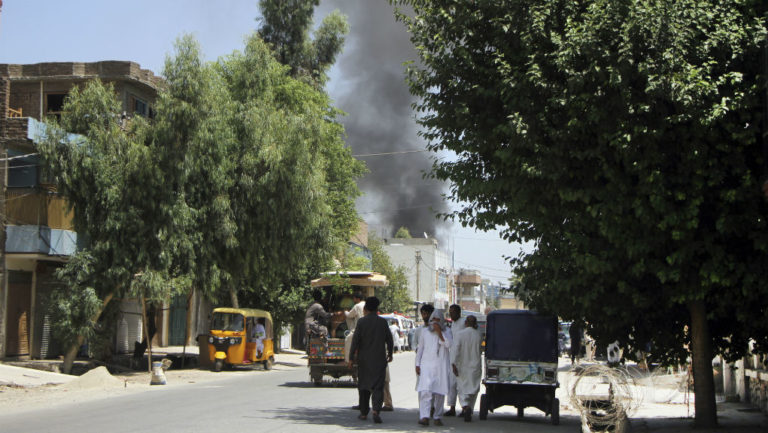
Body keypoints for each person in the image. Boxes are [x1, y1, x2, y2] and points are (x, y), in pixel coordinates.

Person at [348, 297, 393, 424]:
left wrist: (351, 358)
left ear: (365, 309)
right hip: (379, 360)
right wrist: (390, 354)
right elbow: (389, 340)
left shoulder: (361, 322)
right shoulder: (383, 322)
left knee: (363, 386)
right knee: (378, 386)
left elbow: (355, 341)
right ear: (377, 309)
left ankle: (363, 413)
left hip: (364, 360)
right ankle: (376, 411)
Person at [415, 308, 452, 426]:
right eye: (433, 319)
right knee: (425, 391)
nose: (435, 322)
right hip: (427, 365)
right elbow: (420, 349)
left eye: (438, 320)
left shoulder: (447, 331)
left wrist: (440, 333)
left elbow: (449, 344)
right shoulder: (425, 332)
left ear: (442, 320)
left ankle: (437, 416)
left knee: (440, 392)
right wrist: (417, 364)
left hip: (441, 366)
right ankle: (424, 416)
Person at [450, 315, 482, 422]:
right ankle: (470, 408)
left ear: (465, 323)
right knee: (473, 388)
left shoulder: (460, 334)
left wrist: (453, 364)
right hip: (475, 365)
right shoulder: (479, 334)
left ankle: (465, 407)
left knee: (462, 388)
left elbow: (455, 350)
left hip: (462, 365)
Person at [445, 304, 465, 416]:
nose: (451, 314)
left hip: (461, 358)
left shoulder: (463, 322)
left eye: (453, 312)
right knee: (451, 384)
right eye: (450, 312)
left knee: (461, 385)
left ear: (458, 313)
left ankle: (464, 408)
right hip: (452, 356)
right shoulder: (453, 324)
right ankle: (452, 408)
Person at [344, 292, 365, 363]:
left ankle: (347, 361)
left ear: (357, 299)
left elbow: (350, 315)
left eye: (354, 298)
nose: (353, 300)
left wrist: (345, 312)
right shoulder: (366, 304)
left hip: (359, 330)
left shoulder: (357, 306)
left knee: (347, 340)